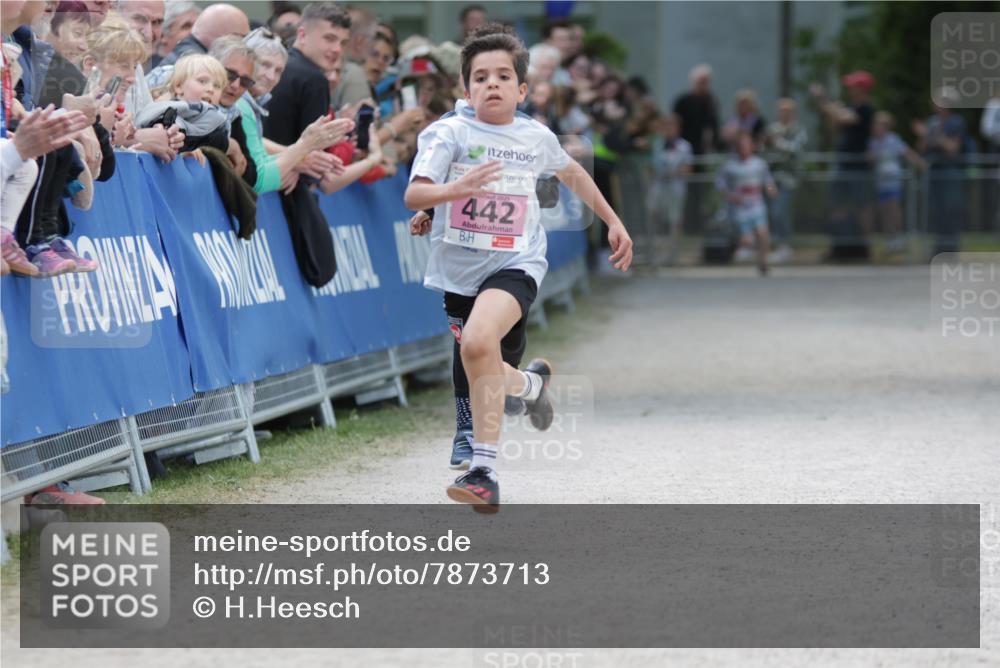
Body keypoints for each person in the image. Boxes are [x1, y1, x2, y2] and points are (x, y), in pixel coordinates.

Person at [404, 24, 633, 512]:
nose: (492, 84)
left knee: (479, 342)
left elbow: (572, 172)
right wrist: (447, 196)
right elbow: (415, 192)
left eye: (503, 76)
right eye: (481, 77)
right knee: (479, 357)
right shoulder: (448, 133)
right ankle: (531, 385)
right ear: (466, 89)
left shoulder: (534, 135)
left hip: (517, 262)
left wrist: (613, 220)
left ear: (521, 89)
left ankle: (482, 472)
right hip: (459, 270)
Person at [264, 1, 351, 287]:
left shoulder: (279, 65)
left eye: (342, 42)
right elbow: (316, 158)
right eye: (329, 38)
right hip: (283, 187)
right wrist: (299, 162)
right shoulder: (314, 79)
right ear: (302, 34)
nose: (336, 49)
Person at [237, 27, 351, 195]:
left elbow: (257, 155)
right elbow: (259, 179)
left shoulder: (252, 104)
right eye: (265, 65)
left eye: (278, 71)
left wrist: (296, 160)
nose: (270, 76)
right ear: (245, 61)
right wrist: (303, 149)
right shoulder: (240, 105)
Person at [811, 70, 875, 260]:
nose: (849, 89)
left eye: (853, 85)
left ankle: (866, 247)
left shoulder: (865, 109)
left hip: (858, 164)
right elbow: (834, 123)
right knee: (837, 204)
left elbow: (843, 118)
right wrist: (831, 108)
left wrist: (823, 98)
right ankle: (838, 245)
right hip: (843, 162)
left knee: (863, 206)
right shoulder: (850, 107)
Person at [913, 88, 968, 256]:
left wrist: (932, 134)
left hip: (950, 171)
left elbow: (952, 148)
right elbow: (922, 149)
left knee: (951, 209)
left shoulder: (956, 122)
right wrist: (922, 137)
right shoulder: (932, 122)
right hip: (934, 171)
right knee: (936, 211)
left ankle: (952, 247)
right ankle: (939, 247)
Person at [716, 131, 777, 276]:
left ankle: (763, 264)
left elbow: (767, 181)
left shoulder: (759, 164)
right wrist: (730, 196)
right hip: (740, 209)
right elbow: (720, 183)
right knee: (748, 241)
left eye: (747, 145)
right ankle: (736, 245)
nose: (744, 148)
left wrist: (771, 189)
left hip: (757, 206)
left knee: (763, 235)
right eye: (741, 145)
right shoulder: (730, 165)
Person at [867, 111, 924, 256]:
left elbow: (906, 152)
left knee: (893, 210)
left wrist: (920, 163)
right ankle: (890, 240)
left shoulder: (893, 139)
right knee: (884, 212)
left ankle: (898, 238)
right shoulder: (873, 142)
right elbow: (869, 158)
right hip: (880, 182)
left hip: (893, 182)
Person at [765, 97, 807, 261]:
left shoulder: (798, 130)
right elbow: (765, 150)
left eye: (787, 111)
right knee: (771, 210)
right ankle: (775, 244)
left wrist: (779, 142)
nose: (783, 113)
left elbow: (796, 149)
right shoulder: (773, 128)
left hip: (789, 180)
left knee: (780, 211)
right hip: (771, 180)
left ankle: (785, 245)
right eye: (781, 110)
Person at [648, 113, 692, 265]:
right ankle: (657, 254)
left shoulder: (684, 146)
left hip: (675, 188)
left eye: (671, 126)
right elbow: (652, 166)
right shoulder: (658, 144)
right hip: (659, 186)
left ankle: (672, 254)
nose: (668, 129)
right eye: (665, 126)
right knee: (655, 216)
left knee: (674, 220)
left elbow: (687, 168)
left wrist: (673, 172)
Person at [153, 1, 199, 68]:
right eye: (186, 26)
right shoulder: (152, 72)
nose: (194, 31)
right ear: (162, 35)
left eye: (197, 25)